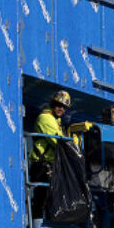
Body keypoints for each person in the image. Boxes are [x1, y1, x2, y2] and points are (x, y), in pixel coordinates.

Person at [28, 90, 71, 219]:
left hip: (50, 165)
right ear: (53, 104)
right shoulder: (45, 118)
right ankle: (37, 220)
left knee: (48, 195)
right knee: (42, 195)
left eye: (64, 107)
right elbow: (57, 141)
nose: (61, 109)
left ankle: (47, 219)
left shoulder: (55, 121)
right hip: (42, 166)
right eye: (59, 105)